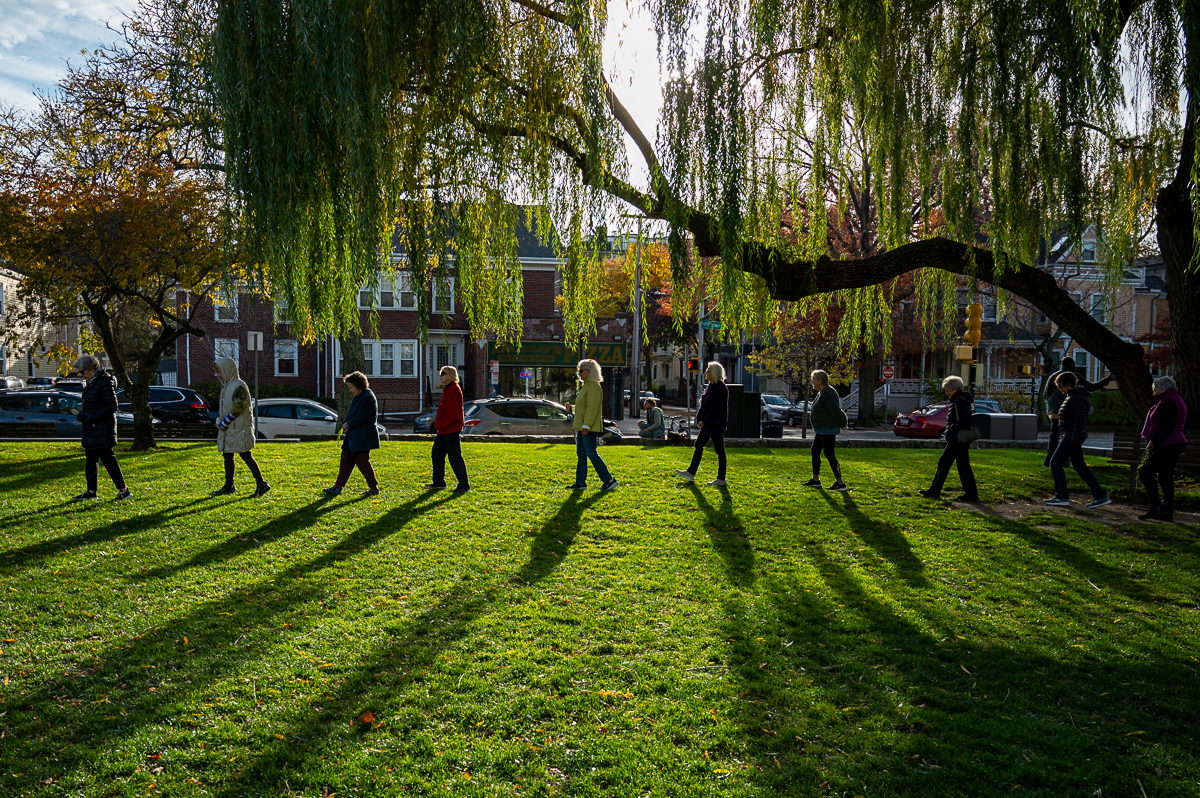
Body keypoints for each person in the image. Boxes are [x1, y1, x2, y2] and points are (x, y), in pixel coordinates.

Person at [1044, 371, 1111, 508]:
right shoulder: (1074, 397)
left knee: (1055, 463)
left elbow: (1080, 421)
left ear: (1068, 384)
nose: (1059, 389)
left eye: (1060, 385)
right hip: (1072, 436)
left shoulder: (1077, 398)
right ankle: (1099, 495)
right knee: (1080, 466)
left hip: (1072, 436)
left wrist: (1074, 441)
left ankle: (1062, 496)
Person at [71, 354, 132, 502]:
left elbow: (112, 406)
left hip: (102, 428)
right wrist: (84, 415)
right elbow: (93, 405)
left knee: (108, 459)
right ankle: (91, 491)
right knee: (90, 461)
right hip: (91, 428)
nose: (81, 375)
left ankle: (124, 490)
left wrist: (91, 417)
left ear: (92, 369)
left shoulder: (104, 381)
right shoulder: (91, 382)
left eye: (82, 372)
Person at [212, 355, 271, 497]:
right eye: (217, 372)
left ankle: (262, 484)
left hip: (239, 429)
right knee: (227, 456)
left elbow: (239, 407)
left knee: (245, 455)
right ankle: (229, 485)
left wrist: (223, 423)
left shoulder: (239, 386)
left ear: (228, 370)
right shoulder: (226, 387)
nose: (219, 375)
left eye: (221, 371)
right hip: (230, 430)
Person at [1043, 356, 1113, 466]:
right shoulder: (1073, 376)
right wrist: (1107, 380)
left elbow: (1045, 394)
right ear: (1072, 365)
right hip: (1067, 411)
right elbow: (1091, 387)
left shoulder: (1053, 376)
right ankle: (1063, 460)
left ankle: (1048, 460)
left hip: (1053, 411)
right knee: (1065, 437)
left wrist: (1050, 407)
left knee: (1054, 436)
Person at [920, 375, 979, 501]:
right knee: (963, 466)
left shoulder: (959, 400)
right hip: (959, 438)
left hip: (957, 438)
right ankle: (971, 493)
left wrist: (951, 427)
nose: (947, 393)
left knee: (944, 463)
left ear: (955, 389)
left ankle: (935, 490)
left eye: (948, 390)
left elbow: (965, 419)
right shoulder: (962, 399)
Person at [1138, 376, 1187, 521]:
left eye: (1155, 391)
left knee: (1146, 472)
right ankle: (1166, 511)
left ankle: (1156, 507)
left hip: (1167, 443)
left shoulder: (1167, 401)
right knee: (1165, 476)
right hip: (1175, 442)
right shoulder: (1177, 399)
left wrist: (1153, 441)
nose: (1154, 394)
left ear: (1162, 389)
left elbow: (1167, 426)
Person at [324, 371, 380, 496]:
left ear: (359, 385)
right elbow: (351, 414)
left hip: (362, 436)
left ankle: (374, 488)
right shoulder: (358, 396)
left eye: (351, 387)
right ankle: (338, 486)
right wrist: (346, 422)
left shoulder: (368, 397)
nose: (350, 390)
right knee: (345, 459)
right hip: (353, 436)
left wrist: (348, 425)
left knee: (362, 461)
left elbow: (361, 417)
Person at [567, 358, 618, 491]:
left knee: (591, 453)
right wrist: (571, 409)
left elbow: (592, 408)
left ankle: (609, 479)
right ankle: (580, 482)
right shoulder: (587, 386)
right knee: (582, 454)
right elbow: (583, 407)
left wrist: (587, 425)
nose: (579, 373)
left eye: (581, 370)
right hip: (583, 426)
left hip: (587, 427)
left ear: (590, 371)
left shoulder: (594, 386)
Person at [676, 361, 729, 486]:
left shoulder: (721, 388)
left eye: (708, 371)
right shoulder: (710, 386)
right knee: (698, 444)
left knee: (719, 450)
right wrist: (699, 418)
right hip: (707, 424)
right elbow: (703, 405)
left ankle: (721, 478)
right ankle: (691, 472)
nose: (706, 372)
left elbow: (717, 409)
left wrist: (704, 421)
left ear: (715, 373)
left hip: (715, 424)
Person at [802, 368, 848, 490]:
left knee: (829, 454)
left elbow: (835, 410)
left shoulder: (827, 393)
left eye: (814, 380)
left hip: (828, 429)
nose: (811, 382)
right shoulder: (822, 392)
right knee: (815, 451)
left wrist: (843, 422)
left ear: (820, 381)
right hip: (822, 429)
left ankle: (840, 482)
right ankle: (815, 480)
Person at [426, 365, 470, 492]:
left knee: (454, 456)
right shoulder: (448, 389)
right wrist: (440, 425)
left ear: (450, 374)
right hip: (445, 429)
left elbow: (452, 413)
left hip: (450, 429)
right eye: (440, 373)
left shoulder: (453, 389)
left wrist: (440, 424)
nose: (440, 375)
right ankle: (439, 482)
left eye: (443, 373)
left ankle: (464, 484)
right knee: (437, 454)